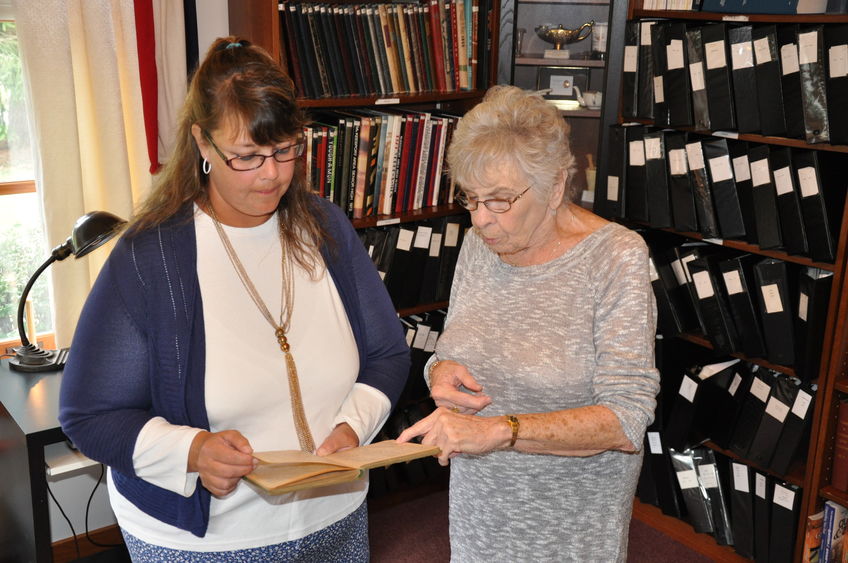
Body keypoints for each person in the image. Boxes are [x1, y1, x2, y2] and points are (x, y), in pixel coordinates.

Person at [59, 37, 409, 562]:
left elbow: (387, 355)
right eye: (246, 156)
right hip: (211, 540)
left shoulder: (325, 227)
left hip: (334, 512)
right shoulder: (151, 255)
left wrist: (351, 426)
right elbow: (89, 415)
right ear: (202, 143)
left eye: (285, 148)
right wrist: (193, 451)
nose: (272, 174)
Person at [397, 85, 660, 561]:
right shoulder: (483, 244)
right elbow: (452, 348)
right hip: (478, 518)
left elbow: (626, 418)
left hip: (568, 531)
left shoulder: (615, 258)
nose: (481, 220)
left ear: (555, 186)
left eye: (500, 200)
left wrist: (499, 430)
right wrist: (439, 371)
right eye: (471, 199)